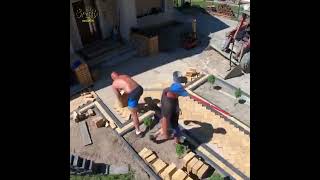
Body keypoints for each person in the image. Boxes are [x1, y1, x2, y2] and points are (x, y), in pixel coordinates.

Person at [111, 72, 144, 136]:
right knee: (133, 98)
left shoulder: (114, 84)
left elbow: (118, 96)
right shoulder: (124, 75)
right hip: (140, 89)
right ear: (118, 75)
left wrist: (122, 102)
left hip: (133, 94)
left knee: (133, 114)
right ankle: (135, 106)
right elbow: (130, 85)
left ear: (113, 79)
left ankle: (138, 132)